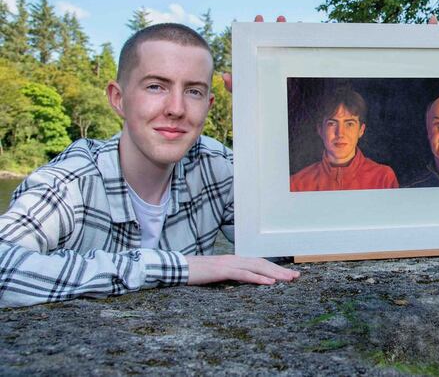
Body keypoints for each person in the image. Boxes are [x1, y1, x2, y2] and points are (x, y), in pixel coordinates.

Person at [0, 23, 299, 308]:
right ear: (118, 98)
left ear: (208, 105)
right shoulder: (71, 182)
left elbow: (301, 241)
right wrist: (177, 268)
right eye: (156, 86)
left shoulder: (217, 167)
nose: (176, 109)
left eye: (193, 91)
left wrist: (278, 110)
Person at [290, 87, 399, 191]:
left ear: (361, 130)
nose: (340, 133)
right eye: (332, 123)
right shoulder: (297, 184)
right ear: (320, 130)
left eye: (349, 124)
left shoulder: (384, 178)